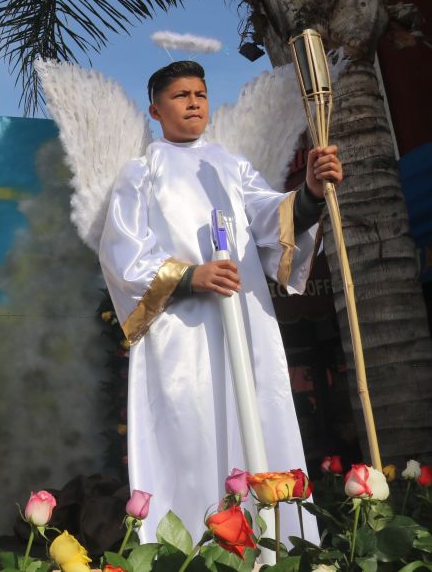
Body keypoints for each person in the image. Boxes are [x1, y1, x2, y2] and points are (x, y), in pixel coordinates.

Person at [99, 61, 343, 543]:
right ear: (155, 109)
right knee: (192, 436)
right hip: (181, 333)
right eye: (180, 95)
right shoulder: (141, 173)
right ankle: (194, 546)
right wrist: (191, 276)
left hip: (246, 322)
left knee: (259, 419)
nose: (194, 102)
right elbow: (122, 256)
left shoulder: (231, 167)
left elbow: (272, 217)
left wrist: (311, 191)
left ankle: (278, 544)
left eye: (201, 94)